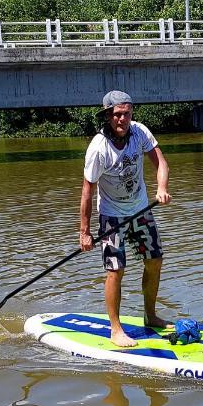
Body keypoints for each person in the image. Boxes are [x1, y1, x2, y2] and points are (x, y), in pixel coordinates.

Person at [79, 90, 172, 347]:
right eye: (117, 115)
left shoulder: (140, 132)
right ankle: (116, 329)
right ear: (108, 116)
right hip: (112, 215)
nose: (122, 119)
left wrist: (161, 188)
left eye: (126, 114)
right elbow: (88, 191)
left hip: (140, 209)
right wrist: (84, 232)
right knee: (115, 270)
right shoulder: (99, 148)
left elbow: (161, 162)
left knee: (155, 260)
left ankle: (150, 316)